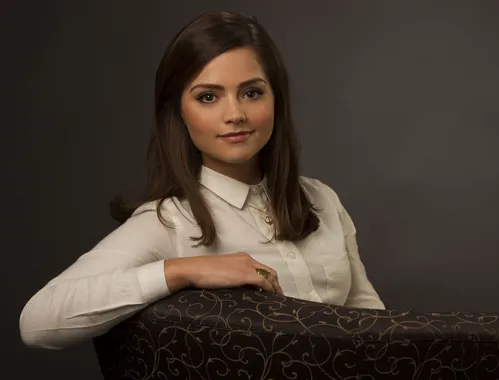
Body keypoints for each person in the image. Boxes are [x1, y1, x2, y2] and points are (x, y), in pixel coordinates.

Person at [19, 11, 385, 350]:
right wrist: (185, 270)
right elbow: (38, 322)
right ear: (179, 112)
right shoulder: (169, 221)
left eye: (252, 92)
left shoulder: (321, 198)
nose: (235, 114)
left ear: (276, 99)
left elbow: (374, 325)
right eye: (208, 97)